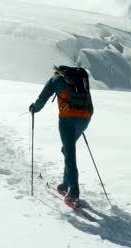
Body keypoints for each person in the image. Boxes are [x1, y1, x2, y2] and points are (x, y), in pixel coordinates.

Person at [29, 65, 94, 202]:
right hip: (86, 117)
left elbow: (42, 98)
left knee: (69, 152)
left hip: (67, 120)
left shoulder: (55, 79)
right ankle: (66, 183)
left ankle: (74, 189)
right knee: (66, 149)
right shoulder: (80, 79)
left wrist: (34, 108)